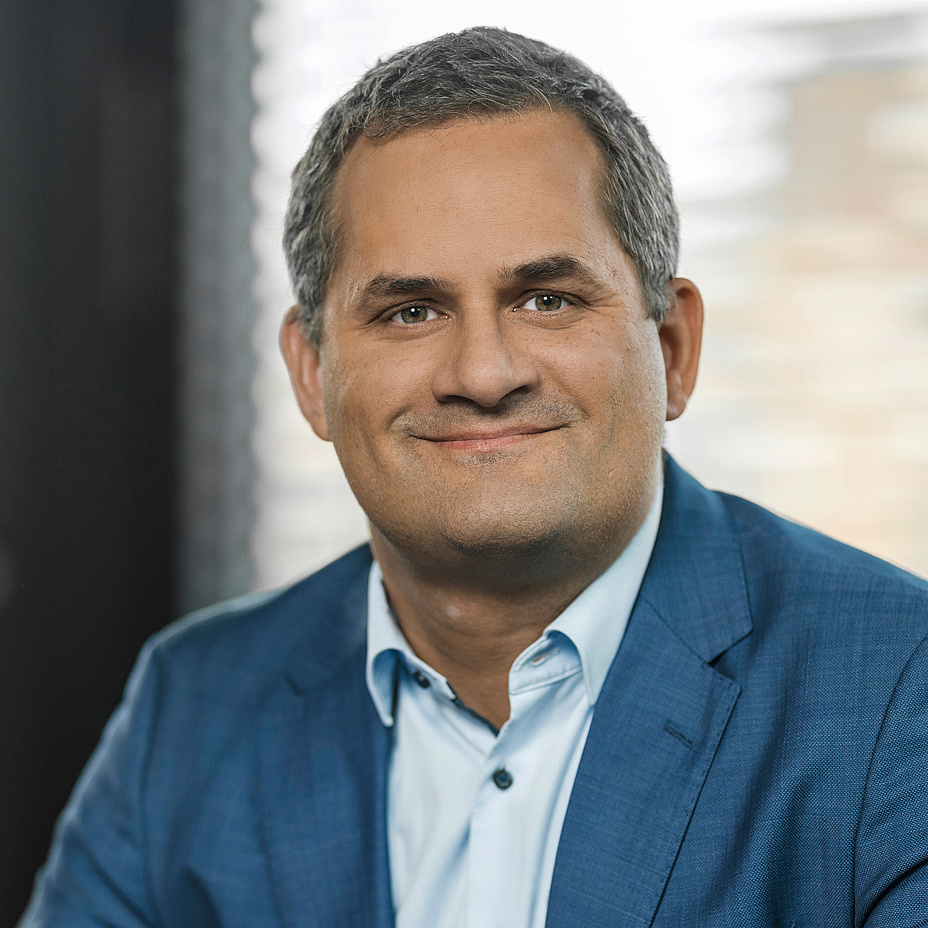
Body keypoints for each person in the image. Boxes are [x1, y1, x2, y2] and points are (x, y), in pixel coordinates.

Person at [20, 25, 928, 928]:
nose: (485, 374)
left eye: (547, 299)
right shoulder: (191, 705)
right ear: (311, 373)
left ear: (672, 348)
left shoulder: (897, 691)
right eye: (410, 311)